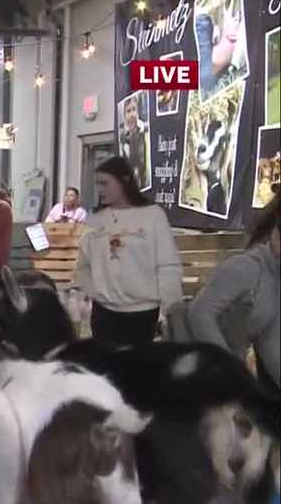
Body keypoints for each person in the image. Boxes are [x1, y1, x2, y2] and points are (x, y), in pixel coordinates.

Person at [72, 156, 182, 348]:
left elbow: (167, 265)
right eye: (98, 184)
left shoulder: (153, 215)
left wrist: (169, 308)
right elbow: (84, 264)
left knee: (135, 372)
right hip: (103, 312)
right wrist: (90, 293)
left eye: (105, 183)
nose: (100, 189)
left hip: (142, 313)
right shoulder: (95, 220)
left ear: (124, 181)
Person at [180, 190, 279, 394]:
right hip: (203, 370)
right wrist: (229, 365)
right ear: (275, 232)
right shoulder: (246, 267)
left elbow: (270, 340)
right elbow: (200, 312)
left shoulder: (273, 276)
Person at [119, 98, 148, 191]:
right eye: (128, 111)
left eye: (134, 109)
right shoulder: (122, 136)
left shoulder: (145, 132)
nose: (132, 115)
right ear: (124, 115)